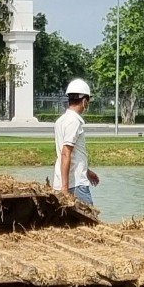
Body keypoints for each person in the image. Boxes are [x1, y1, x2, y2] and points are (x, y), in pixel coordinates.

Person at [53, 78, 102, 207]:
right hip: (75, 184)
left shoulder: (61, 120)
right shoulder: (73, 121)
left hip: (65, 180)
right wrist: (65, 187)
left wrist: (87, 171)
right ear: (84, 101)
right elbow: (65, 153)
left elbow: (73, 155)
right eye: (88, 100)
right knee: (90, 220)